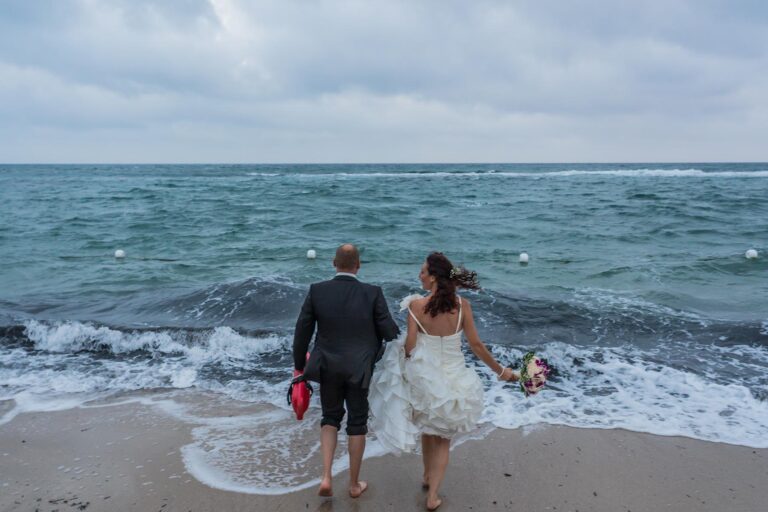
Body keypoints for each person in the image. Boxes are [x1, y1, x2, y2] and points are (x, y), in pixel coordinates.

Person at [369, 252, 518, 511]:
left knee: (428, 429)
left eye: (423, 271)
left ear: (435, 276)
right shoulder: (462, 306)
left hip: (425, 377)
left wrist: (401, 362)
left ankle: (428, 478)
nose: (420, 275)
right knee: (442, 438)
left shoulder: (416, 306)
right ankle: (432, 493)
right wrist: (501, 370)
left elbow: (411, 346)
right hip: (454, 378)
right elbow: (476, 345)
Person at [293, 243, 400, 498]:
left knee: (330, 419)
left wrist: (299, 366)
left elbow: (302, 332)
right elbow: (390, 332)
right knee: (357, 422)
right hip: (359, 368)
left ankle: (327, 476)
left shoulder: (317, 291)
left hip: (327, 366)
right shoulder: (372, 293)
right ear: (358, 265)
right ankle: (353, 484)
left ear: (333, 263)